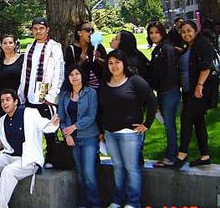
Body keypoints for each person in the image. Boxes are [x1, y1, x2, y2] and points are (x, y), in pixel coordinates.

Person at [98, 49, 157, 208]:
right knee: (117, 168)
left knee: (131, 168)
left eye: (117, 62)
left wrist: (147, 124)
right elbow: (100, 109)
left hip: (130, 135)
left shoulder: (135, 81)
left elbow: (152, 101)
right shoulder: (104, 84)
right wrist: (101, 131)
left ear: (124, 63)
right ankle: (117, 200)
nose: (114, 66)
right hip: (110, 133)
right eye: (110, 63)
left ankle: (133, 202)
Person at [0, 89, 60, 208]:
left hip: (28, 159)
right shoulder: (2, 120)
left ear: (16, 101)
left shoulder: (30, 113)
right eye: (2, 100)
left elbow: (45, 126)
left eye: (8, 99)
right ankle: (0, 203)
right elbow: (0, 145)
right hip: (10, 156)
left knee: (8, 171)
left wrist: (53, 124)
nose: (4, 103)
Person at [17, 17, 64, 168]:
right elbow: (25, 71)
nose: (38, 31)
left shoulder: (54, 47)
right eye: (35, 28)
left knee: (49, 127)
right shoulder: (30, 46)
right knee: (31, 129)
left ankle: (51, 156)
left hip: (45, 92)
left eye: (41, 28)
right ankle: (35, 158)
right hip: (29, 91)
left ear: (47, 29)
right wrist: (21, 92)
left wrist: (53, 93)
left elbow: (58, 72)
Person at [58, 65, 100, 208]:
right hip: (72, 140)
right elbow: (61, 118)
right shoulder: (64, 95)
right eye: (71, 74)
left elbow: (91, 116)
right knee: (80, 173)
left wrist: (74, 127)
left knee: (88, 173)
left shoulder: (91, 93)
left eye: (77, 74)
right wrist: (66, 134)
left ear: (82, 76)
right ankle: (83, 203)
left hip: (89, 138)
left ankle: (95, 204)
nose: (74, 77)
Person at [174, 20, 214, 168]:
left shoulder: (202, 43)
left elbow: (206, 66)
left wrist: (199, 85)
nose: (186, 34)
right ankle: (205, 156)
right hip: (188, 90)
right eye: (183, 32)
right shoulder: (189, 47)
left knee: (186, 118)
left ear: (196, 31)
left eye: (189, 30)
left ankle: (182, 153)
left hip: (198, 90)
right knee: (198, 122)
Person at [146, 21, 181, 168]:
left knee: (169, 125)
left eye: (156, 32)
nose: (153, 35)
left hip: (169, 92)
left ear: (162, 32)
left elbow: (171, 73)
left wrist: (162, 89)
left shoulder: (167, 49)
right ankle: (172, 154)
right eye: (151, 33)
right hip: (162, 92)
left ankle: (171, 157)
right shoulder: (157, 50)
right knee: (167, 124)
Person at [65, 22, 107, 88]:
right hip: (81, 87)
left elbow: (107, 64)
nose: (90, 32)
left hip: (100, 86)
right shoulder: (71, 49)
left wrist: (98, 59)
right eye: (87, 30)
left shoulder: (97, 46)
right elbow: (68, 71)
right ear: (79, 33)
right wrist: (80, 62)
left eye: (92, 30)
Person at [0, 35, 24, 113]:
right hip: (3, 102)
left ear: (15, 44)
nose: (8, 45)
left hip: (19, 100)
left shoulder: (22, 59)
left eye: (10, 43)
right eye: (5, 43)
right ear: (1, 45)